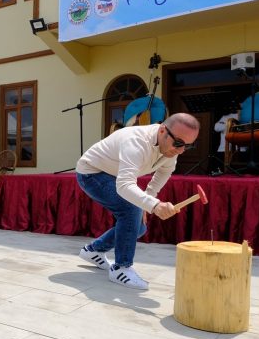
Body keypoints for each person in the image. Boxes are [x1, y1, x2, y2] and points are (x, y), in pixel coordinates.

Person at [75, 113, 200, 289]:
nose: (180, 151)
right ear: (163, 130)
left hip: (113, 175)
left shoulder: (170, 146)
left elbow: (164, 172)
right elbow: (124, 185)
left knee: (138, 227)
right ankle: (121, 268)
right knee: (131, 210)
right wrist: (153, 205)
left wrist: (148, 200)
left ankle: (94, 251)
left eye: (188, 146)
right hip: (91, 173)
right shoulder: (136, 141)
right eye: (178, 143)